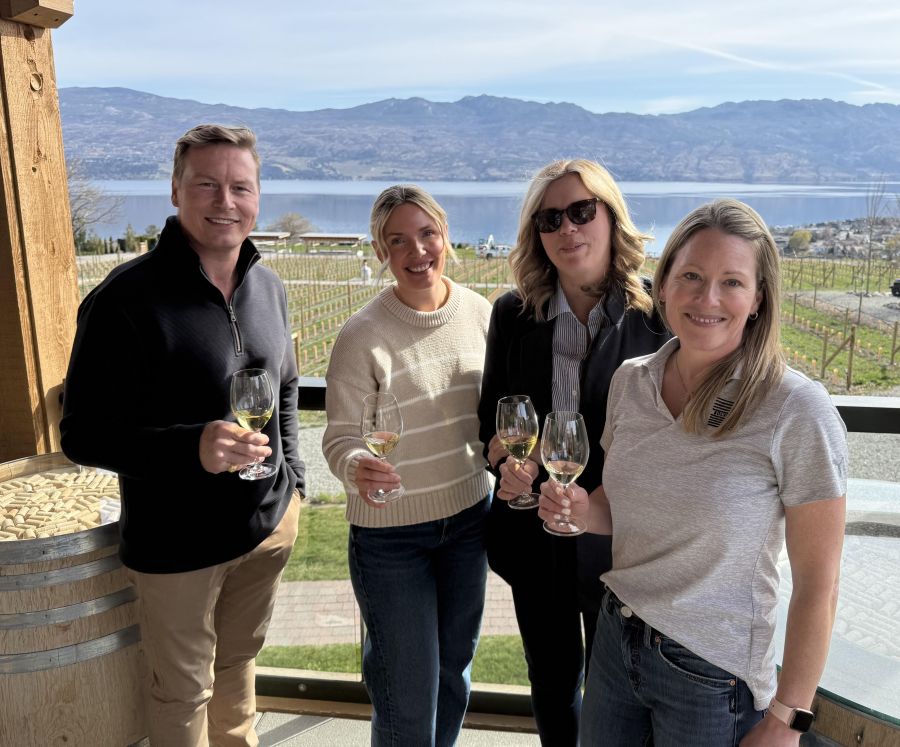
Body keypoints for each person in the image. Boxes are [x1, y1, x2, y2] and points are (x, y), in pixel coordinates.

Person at [540, 199, 847, 745]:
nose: (708, 298)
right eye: (691, 276)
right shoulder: (632, 381)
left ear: (757, 300)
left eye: (732, 281)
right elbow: (622, 501)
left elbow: (818, 586)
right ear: (662, 287)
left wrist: (787, 718)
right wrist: (581, 511)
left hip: (711, 674)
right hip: (616, 637)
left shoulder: (796, 409)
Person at [60, 124, 305, 747]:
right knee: (183, 694)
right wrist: (189, 446)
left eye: (240, 187)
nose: (226, 201)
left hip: (265, 530)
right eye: (207, 184)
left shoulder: (268, 287)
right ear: (175, 192)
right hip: (177, 547)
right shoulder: (125, 301)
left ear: (257, 197)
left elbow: (285, 389)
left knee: (238, 673)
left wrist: (294, 484)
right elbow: (83, 434)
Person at [477, 159, 669, 744]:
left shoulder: (657, 316)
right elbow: (491, 418)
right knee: (553, 686)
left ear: (612, 218)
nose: (568, 229)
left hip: (624, 544)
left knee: (622, 696)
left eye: (582, 211)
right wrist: (502, 464)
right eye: (550, 218)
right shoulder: (513, 314)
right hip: (535, 541)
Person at [323, 185, 493, 746]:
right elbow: (340, 439)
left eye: (427, 234)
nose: (416, 250)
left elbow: (498, 415)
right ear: (381, 252)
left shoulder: (479, 314)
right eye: (398, 240)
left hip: (469, 520)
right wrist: (355, 466)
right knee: (406, 694)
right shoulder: (362, 335)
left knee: (453, 677)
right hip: (391, 539)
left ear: (445, 236)